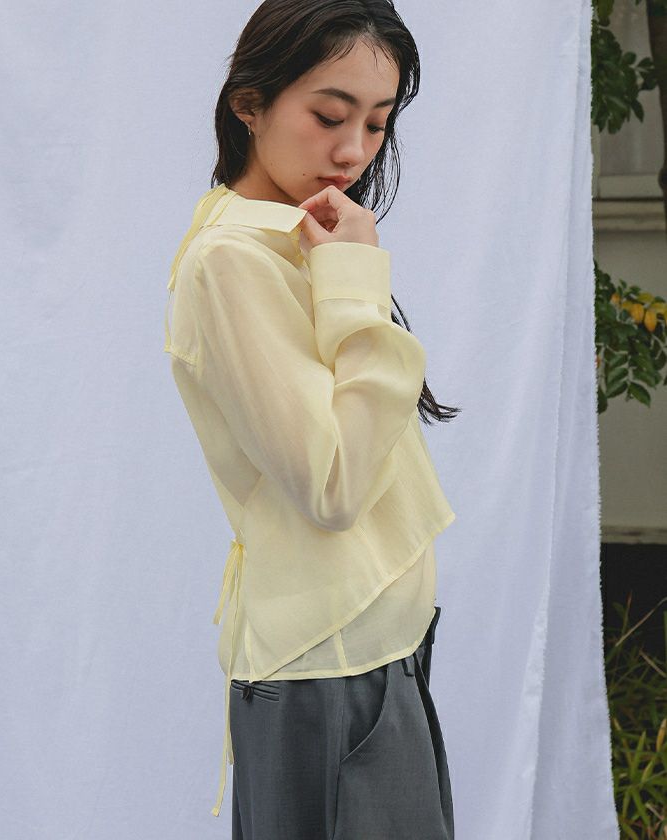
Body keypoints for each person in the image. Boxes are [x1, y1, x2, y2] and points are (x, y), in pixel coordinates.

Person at [163, 1, 462, 837]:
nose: (353, 151)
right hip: (326, 669)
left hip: (371, 653)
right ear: (249, 103)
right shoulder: (234, 259)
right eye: (329, 116)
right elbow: (333, 486)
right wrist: (358, 281)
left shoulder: (295, 238)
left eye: (377, 122)